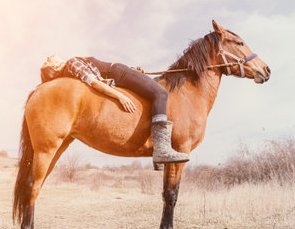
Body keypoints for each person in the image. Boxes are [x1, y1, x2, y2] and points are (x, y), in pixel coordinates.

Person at [40, 54, 189, 169]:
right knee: (161, 94)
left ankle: (158, 154)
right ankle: (162, 149)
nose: (48, 57)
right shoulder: (72, 63)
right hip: (118, 72)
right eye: (47, 61)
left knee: (150, 91)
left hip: (120, 74)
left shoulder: (70, 69)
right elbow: (95, 82)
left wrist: (134, 72)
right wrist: (120, 96)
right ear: (54, 68)